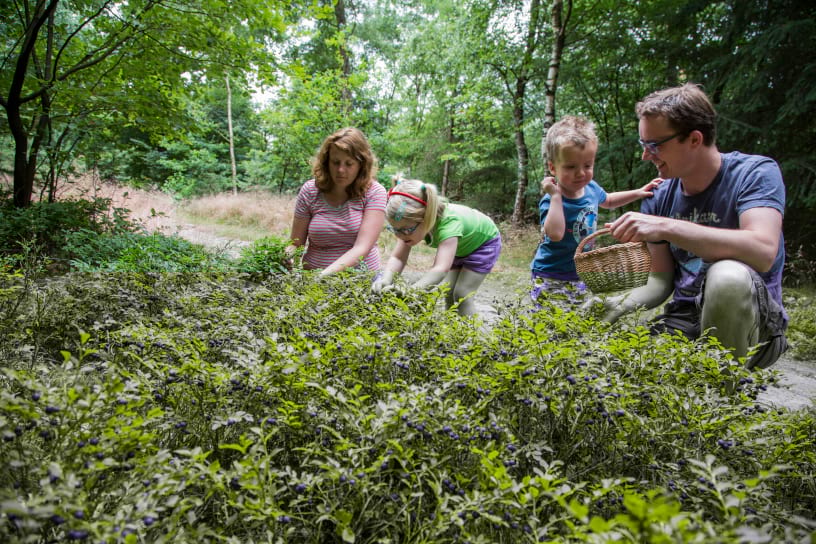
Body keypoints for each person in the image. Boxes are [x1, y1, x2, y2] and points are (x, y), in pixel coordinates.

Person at [593, 83, 787, 369]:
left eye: (654, 145)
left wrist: (666, 227)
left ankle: (725, 393)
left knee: (727, 276)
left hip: (757, 327)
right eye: (642, 145)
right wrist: (618, 303)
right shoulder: (659, 195)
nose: (647, 155)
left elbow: (762, 250)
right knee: (629, 373)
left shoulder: (755, 173)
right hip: (684, 319)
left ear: (695, 139)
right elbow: (660, 280)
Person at [530, 116, 661, 306]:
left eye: (587, 165)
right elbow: (556, 234)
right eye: (570, 167)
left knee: (578, 319)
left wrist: (639, 192)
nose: (581, 173)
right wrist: (556, 196)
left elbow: (608, 200)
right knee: (550, 324)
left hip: (581, 272)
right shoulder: (551, 200)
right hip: (550, 273)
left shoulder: (591, 188)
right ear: (553, 168)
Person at [371, 178, 501, 317]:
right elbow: (398, 258)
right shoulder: (407, 226)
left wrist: (411, 291)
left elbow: (440, 269)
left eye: (406, 230)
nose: (400, 235)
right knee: (448, 291)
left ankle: (474, 336)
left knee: (462, 294)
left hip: (483, 244)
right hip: (460, 246)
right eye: (394, 229)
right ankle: (452, 331)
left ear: (426, 218)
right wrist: (386, 279)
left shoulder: (449, 225)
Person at [289, 127, 387, 275]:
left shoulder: (374, 192)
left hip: (359, 281)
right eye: (335, 162)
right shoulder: (310, 190)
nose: (341, 170)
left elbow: (362, 248)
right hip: (312, 280)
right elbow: (296, 244)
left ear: (361, 165)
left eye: (349, 164)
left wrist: (324, 276)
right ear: (327, 162)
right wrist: (287, 257)